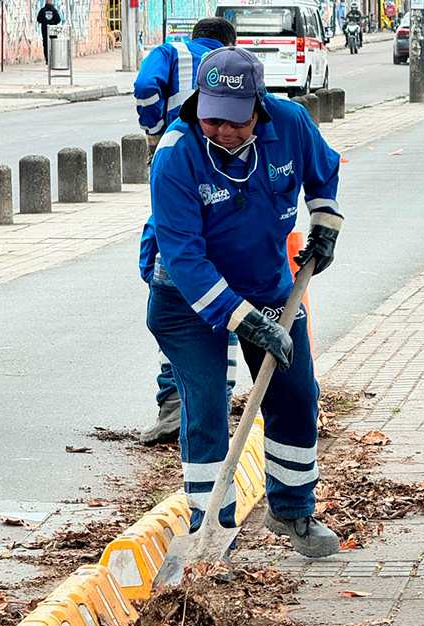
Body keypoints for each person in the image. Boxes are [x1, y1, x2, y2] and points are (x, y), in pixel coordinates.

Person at [147, 47, 343, 558]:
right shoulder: (175, 154)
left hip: (266, 282)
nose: (224, 131)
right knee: (207, 403)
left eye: (236, 121)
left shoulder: (291, 122)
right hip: (186, 297)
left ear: (259, 105)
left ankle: (293, 511)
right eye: (212, 119)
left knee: (296, 392)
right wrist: (244, 322)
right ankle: (214, 531)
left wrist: (324, 226)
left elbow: (324, 174)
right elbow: (186, 258)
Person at [135, 18, 238, 445]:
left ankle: (179, 403)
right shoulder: (235, 69)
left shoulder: (171, 54)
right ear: (229, 42)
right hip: (226, 179)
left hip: (175, 165)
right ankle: (214, 397)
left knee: (175, 289)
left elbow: (144, 86)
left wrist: (154, 128)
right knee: (223, 298)